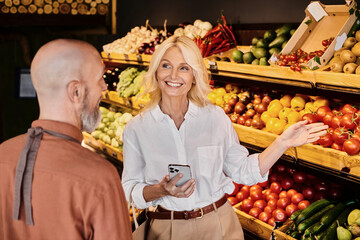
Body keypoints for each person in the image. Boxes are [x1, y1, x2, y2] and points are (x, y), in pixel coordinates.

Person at [121, 35, 328, 240]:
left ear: (194, 76)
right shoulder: (137, 129)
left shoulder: (214, 117)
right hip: (167, 227)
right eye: (166, 66)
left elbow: (243, 171)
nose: (174, 75)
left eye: (184, 68)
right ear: (156, 71)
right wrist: (159, 190)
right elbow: (129, 190)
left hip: (218, 223)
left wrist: (283, 142)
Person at [0, 39, 132, 240]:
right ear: (76, 92)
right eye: (100, 78)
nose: (105, 87)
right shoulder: (100, 176)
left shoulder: (2, 155)